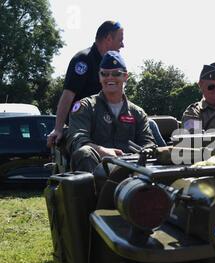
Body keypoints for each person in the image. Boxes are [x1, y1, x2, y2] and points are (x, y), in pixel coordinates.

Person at [66, 51, 155, 172]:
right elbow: (77, 140)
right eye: (105, 74)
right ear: (99, 77)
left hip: (131, 170)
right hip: (97, 170)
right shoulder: (86, 107)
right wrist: (103, 151)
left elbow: (148, 144)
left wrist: (141, 154)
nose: (110, 78)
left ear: (125, 77)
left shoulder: (137, 113)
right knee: (84, 152)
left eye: (116, 73)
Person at [47, 20, 125, 148]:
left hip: (106, 120)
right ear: (109, 39)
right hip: (84, 123)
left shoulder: (109, 64)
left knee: (151, 125)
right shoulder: (84, 60)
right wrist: (58, 129)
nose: (122, 45)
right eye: (120, 40)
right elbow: (68, 95)